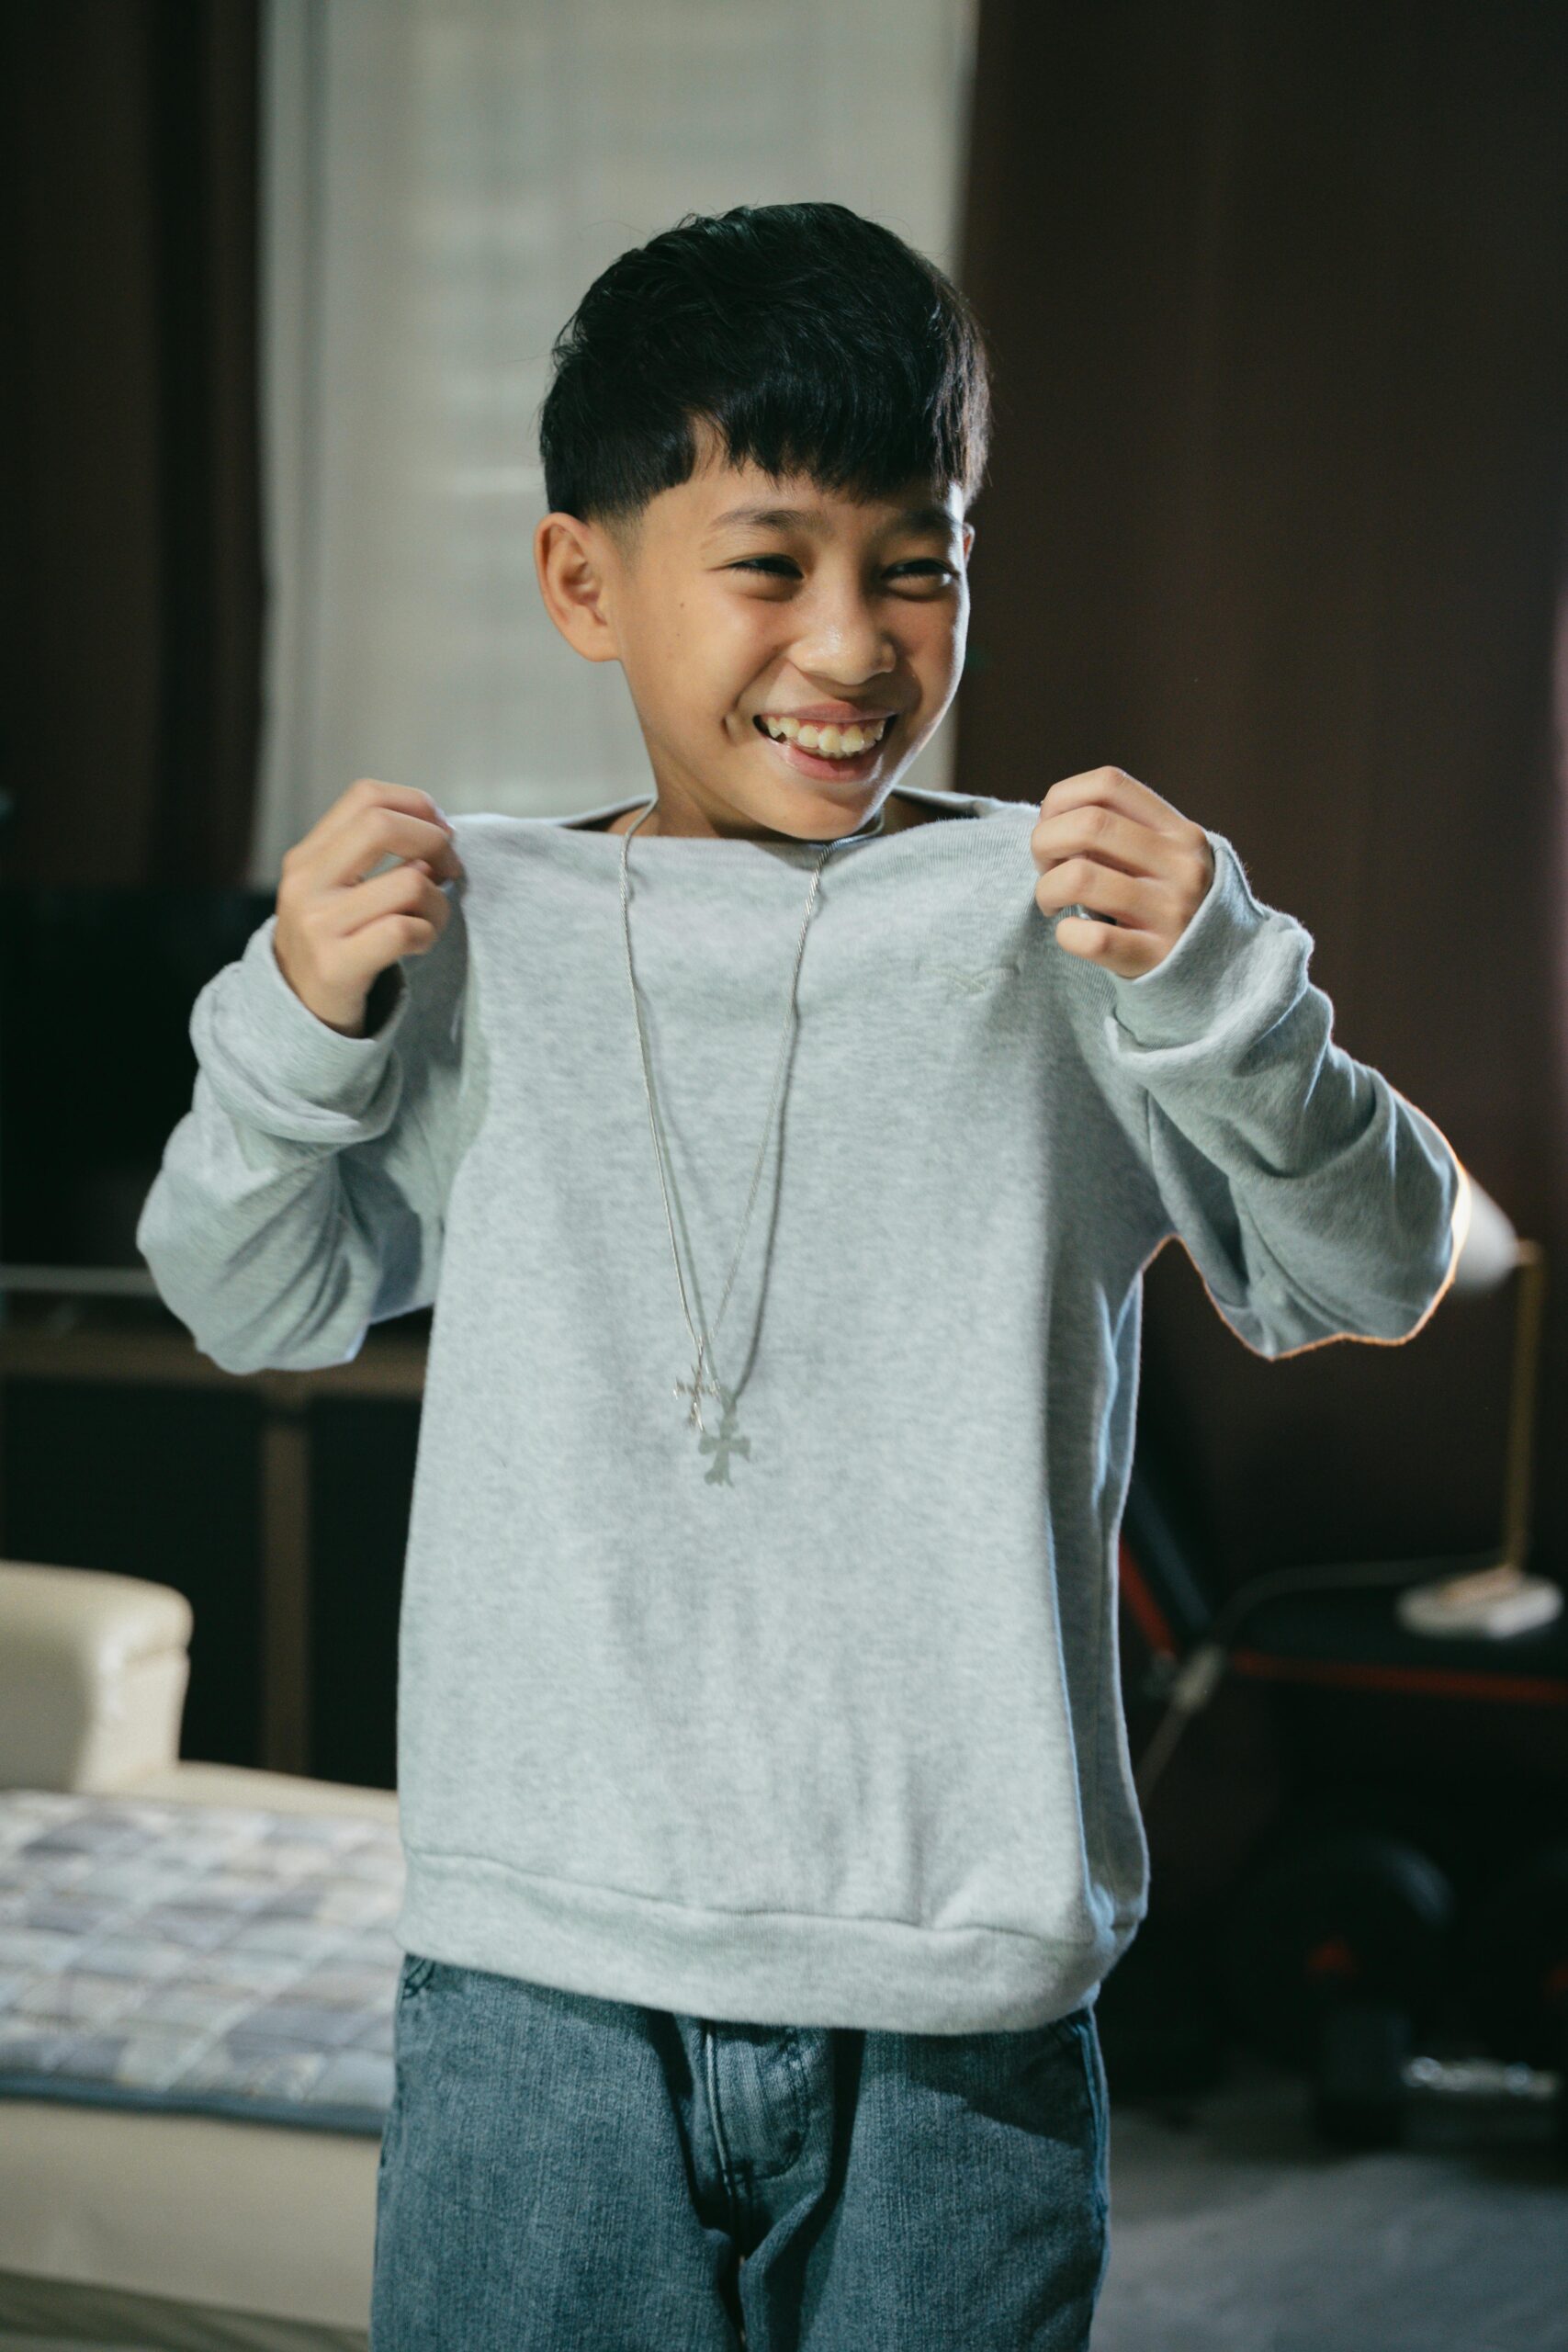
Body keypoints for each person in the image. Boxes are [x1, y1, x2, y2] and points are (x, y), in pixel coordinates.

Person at [136, 200, 1470, 2351]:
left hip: (957, 1996)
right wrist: (295, 1013)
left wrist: (1229, 980)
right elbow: (244, 1294)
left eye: (916, 559)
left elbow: (1380, 1258)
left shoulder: (1068, 941)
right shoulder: (475, 941)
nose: (847, 645)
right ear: (586, 577)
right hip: (542, 1979)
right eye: (767, 563)